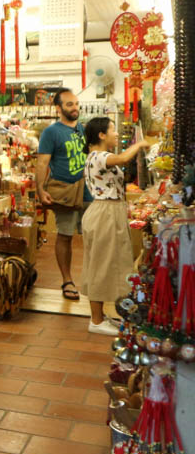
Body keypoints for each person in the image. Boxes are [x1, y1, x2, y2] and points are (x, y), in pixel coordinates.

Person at [80, 117, 148, 335]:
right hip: (105, 213)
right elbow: (122, 158)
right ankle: (96, 321)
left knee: (105, 262)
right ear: (101, 135)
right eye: (112, 129)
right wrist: (138, 144)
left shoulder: (96, 156)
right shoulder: (100, 156)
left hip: (108, 212)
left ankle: (100, 317)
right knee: (101, 264)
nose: (116, 133)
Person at [35, 90, 88, 302]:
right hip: (65, 191)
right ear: (59, 108)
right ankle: (67, 280)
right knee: (65, 235)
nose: (74, 108)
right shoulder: (51, 132)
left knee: (92, 237)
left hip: (88, 191)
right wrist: (40, 189)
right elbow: (42, 163)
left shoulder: (83, 129)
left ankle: (92, 281)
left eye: (76, 104)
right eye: (69, 104)